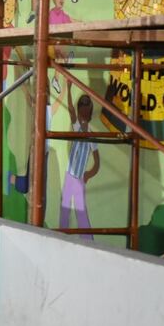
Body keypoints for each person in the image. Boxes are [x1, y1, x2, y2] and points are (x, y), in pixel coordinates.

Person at [59, 85, 100, 241]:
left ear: (88, 113)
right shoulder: (76, 127)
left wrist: (87, 175)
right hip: (70, 175)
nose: (82, 113)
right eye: (81, 107)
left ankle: (88, 241)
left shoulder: (91, 136)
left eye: (85, 109)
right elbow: (70, 109)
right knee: (65, 211)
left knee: (81, 213)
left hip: (78, 178)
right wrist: (68, 89)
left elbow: (97, 163)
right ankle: (60, 238)